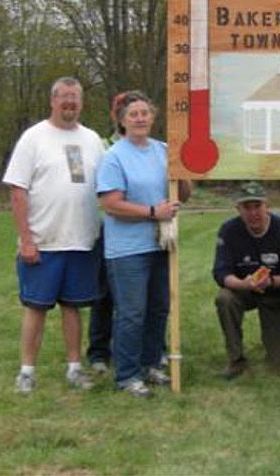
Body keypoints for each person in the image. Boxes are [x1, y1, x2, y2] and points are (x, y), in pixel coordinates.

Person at [3, 76, 105, 393]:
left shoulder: (92, 140)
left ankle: (74, 368)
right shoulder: (34, 138)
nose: (70, 103)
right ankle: (27, 372)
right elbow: (18, 192)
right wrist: (27, 239)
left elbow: (107, 186)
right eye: (64, 97)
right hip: (44, 241)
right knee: (36, 306)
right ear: (53, 100)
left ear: (81, 102)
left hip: (82, 240)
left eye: (75, 98)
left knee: (72, 306)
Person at [96, 90, 191, 398]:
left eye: (144, 113)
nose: (139, 119)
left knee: (158, 308)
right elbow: (111, 204)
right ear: (122, 121)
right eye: (132, 115)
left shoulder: (164, 150)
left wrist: (185, 172)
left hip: (161, 245)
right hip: (127, 250)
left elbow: (183, 194)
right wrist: (153, 212)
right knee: (132, 313)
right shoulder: (114, 157)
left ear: (153, 116)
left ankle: (151, 364)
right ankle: (127, 375)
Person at [213, 182, 280, 379]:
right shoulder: (228, 230)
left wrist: (271, 282)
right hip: (245, 289)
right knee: (225, 298)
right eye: (246, 207)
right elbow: (220, 272)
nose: (253, 213)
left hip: (277, 291)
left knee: (279, 362)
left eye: (257, 206)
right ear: (238, 209)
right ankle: (236, 360)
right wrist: (245, 284)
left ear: (266, 206)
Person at [86, 91, 126, 374]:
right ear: (115, 114)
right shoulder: (102, 146)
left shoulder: (152, 146)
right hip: (106, 229)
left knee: (143, 297)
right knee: (103, 295)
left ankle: (153, 348)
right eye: (120, 108)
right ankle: (99, 352)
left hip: (141, 230)